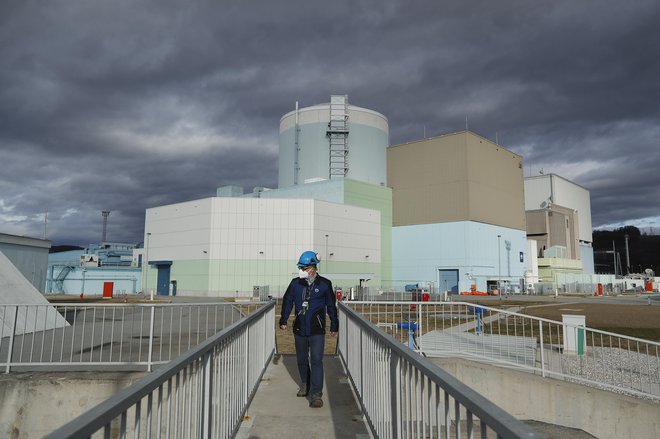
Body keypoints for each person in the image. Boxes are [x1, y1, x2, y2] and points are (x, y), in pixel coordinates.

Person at [279, 250, 338, 408]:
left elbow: (331, 306)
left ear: (313, 267)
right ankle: (305, 383)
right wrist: (283, 320)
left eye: (304, 268)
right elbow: (287, 301)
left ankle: (316, 394)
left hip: (317, 330)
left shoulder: (325, 284)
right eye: (300, 268)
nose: (302, 271)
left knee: (317, 360)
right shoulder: (295, 284)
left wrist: (334, 324)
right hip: (299, 328)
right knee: (302, 360)